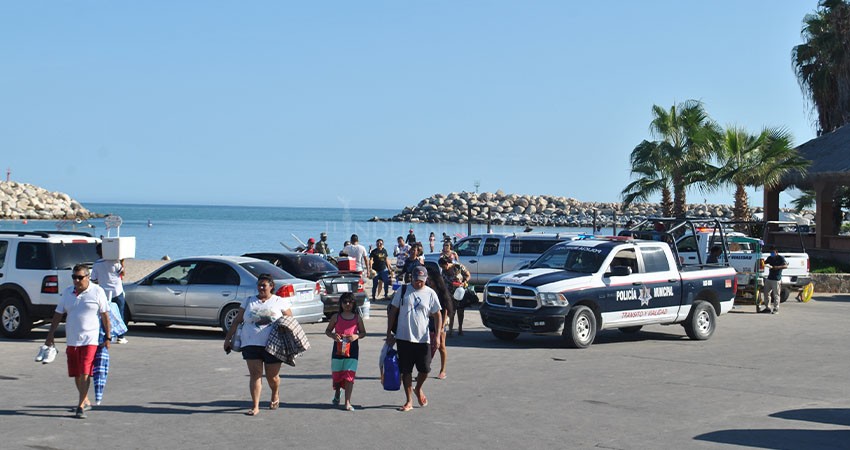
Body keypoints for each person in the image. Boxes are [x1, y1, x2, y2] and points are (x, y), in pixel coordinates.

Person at [44, 264, 111, 419]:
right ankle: (85, 399)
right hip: (72, 340)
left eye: (79, 277)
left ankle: (80, 405)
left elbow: (105, 316)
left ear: (87, 277)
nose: (76, 280)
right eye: (74, 277)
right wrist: (50, 334)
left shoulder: (97, 291)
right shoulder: (68, 292)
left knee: (85, 372)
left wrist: (108, 337)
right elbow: (58, 314)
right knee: (76, 373)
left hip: (90, 340)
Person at [223, 274, 293, 416]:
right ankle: (255, 406)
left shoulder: (280, 301)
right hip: (251, 342)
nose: (261, 288)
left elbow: (290, 322)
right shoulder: (249, 301)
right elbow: (237, 320)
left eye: (264, 285)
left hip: (274, 344)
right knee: (255, 375)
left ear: (271, 286)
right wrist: (228, 338)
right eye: (259, 285)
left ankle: (275, 392)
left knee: (272, 377)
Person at [386, 266, 442, 412]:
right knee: (406, 371)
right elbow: (393, 311)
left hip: (423, 338)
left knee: (425, 369)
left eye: (422, 281)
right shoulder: (403, 291)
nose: (419, 283)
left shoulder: (430, 293)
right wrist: (388, 333)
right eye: (417, 280)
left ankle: (418, 388)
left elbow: (437, 314)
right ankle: (409, 400)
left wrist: (437, 335)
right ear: (412, 278)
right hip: (404, 337)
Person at [324, 293, 366, 411]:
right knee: (337, 375)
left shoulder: (357, 318)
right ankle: (337, 392)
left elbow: (363, 332)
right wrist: (333, 335)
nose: (347, 304)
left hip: (352, 350)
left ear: (354, 304)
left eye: (350, 302)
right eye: (345, 302)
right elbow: (327, 331)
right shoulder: (336, 317)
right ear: (341, 304)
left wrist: (356, 336)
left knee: (349, 375)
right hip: (338, 349)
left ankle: (347, 402)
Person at [91, 243, 128, 344]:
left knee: (104, 314)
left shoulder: (96, 264)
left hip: (104, 292)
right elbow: (123, 273)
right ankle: (120, 336)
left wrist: (102, 280)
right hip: (117, 291)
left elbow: (94, 279)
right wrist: (122, 262)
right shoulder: (115, 262)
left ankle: (105, 334)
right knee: (120, 313)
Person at [425, 264, 453, 380]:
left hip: (440, 320)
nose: (429, 282)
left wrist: (441, 327)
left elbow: (445, 309)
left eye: (431, 280)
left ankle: (443, 370)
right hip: (428, 320)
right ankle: (425, 369)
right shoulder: (426, 290)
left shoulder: (441, 292)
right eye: (428, 279)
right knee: (427, 346)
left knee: (441, 346)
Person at [439, 256, 471, 336]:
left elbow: (468, 275)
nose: (443, 268)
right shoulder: (443, 270)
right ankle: (450, 331)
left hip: (459, 291)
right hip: (449, 293)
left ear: (447, 264)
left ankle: (460, 329)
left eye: (443, 266)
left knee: (460, 311)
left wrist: (464, 282)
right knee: (451, 311)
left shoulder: (458, 266)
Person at [762, 245, 787, 314]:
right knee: (766, 293)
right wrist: (762, 263)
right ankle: (767, 308)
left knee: (776, 294)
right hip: (769, 278)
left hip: (776, 279)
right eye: (770, 252)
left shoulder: (780, 258)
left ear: (776, 252)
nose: (771, 254)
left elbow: (785, 266)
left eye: (773, 252)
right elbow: (764, 263)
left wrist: (777, 267)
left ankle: (776, 308)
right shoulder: (770, 258)